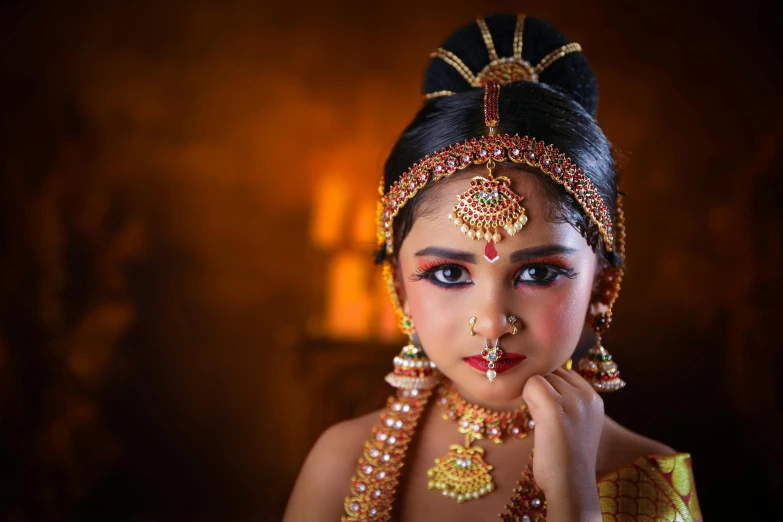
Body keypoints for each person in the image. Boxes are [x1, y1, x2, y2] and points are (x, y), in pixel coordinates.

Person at [284, 14, 702, 522]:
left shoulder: (646, 477)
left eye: (538, 273)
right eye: (448, 274)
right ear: (398, 286)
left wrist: (573, 493)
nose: (491, 322)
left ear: (603, 285)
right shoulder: (342, 461)